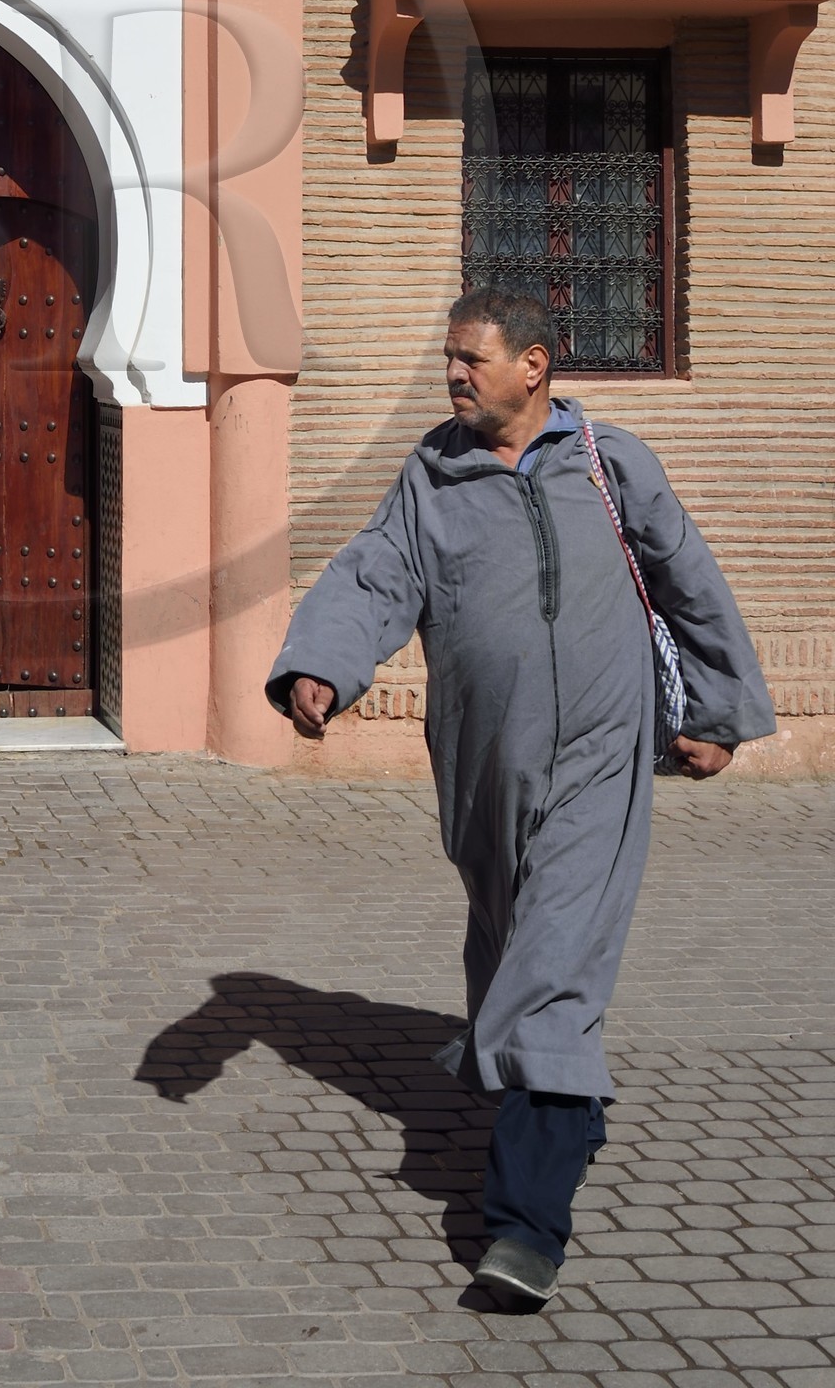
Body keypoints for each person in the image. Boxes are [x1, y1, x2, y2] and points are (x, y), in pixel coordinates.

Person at [267, 286, 775, 1309]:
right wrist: (320, 664)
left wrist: (715, 712)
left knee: (551, 964)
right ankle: (564, 1101)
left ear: (532, 366)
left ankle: (522, 1231)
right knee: (512, 937)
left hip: (603, 747)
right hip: (482, 756)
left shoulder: (612, 463)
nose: (453, 376)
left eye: (472, 360)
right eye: (449, 360)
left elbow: (688, 580)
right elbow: (375, 577)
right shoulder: (433, 473)